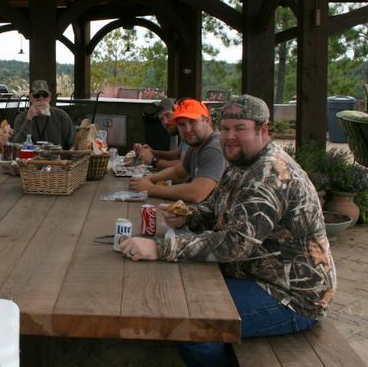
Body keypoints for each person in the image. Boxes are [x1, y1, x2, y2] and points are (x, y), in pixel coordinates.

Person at [120, 95, 336, 367]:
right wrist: (188, 215)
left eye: (240, 129)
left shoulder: (269, 176)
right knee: (178, 286)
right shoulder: (243, 161)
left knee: (187, 320)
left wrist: (160, 248)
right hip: (254, 272)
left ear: (263, 130)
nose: (229, 136)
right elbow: (215, 207)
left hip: (291, 294)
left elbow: (235, 244)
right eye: (225, 129)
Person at [129, 98, 225, 203]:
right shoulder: (196, 145)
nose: (187, 129)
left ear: (206, 120)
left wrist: (150, 188)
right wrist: (149, 179)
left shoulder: (215, 147)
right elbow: (178, 173)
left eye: (193, 122)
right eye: (181, 124)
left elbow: (197, 193)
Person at [12, 80, 76, 149]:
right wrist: (29, 119)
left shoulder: (61, 116)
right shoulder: (21, 118)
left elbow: (72, 143)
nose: (41, 99)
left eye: (45, 95)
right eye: (37, 95)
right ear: (31, 98)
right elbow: (17, 145)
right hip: (30, 158)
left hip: (55, 158)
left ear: (49, 98)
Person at [138, 98, 187, 170]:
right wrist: (154, 152)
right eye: (161, 119)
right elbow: (178, 154)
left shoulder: (191, 134)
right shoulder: (184, 134)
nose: (165, 122)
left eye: (168, 115)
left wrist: (153, 160)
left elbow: (184, 165)